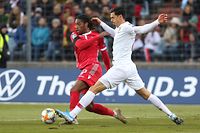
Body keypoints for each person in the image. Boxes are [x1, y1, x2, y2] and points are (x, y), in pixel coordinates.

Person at [56, 7, 184, 125]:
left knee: (93, 89)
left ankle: (72, 115)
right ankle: (171, 115)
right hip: (130, 68)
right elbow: (113, 33)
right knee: (146, 94)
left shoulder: (127, 27)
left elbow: (142, 29)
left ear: (120, 16)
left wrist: (157, 22)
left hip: (121, 67)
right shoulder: (120, 30)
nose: (111, 20)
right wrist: (101, 23)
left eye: (112, 17)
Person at [57, 14, 127, 125]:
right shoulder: (75, 35)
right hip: (85, 68)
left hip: (93, 67)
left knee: (74, 89)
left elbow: (104, 54)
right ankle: (115, 113)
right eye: (75, 24)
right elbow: (80, 45)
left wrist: (110, 70)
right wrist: (97, 37)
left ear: (86, 24)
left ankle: (71, 116)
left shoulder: (96, 36)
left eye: (79, 24)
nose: (76, 27)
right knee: (90, 106)